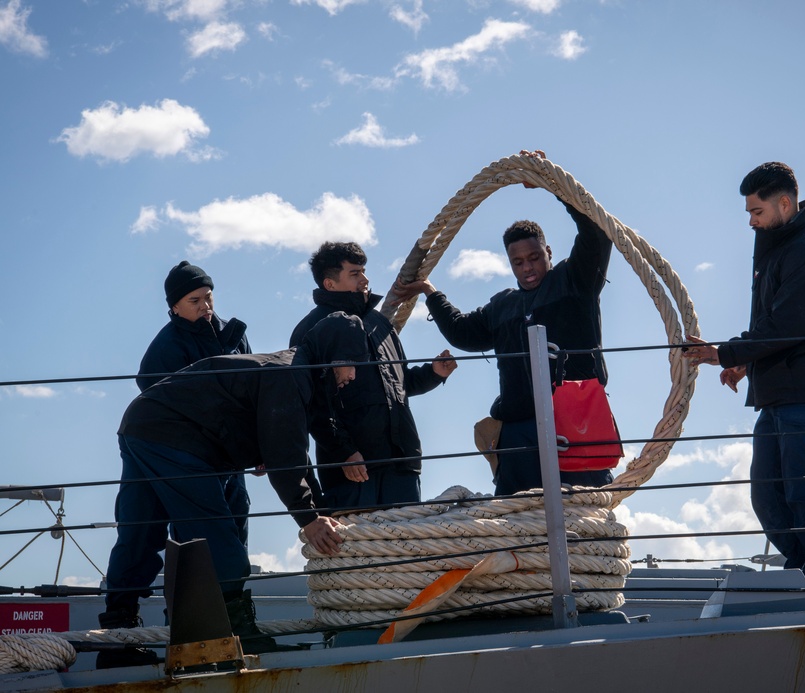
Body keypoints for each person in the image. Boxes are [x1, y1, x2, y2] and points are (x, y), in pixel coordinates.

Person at [99, 313, 366, 667]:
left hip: (142, 424)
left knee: (140, 533)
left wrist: (318, 511)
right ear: (336, 358)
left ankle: (118, 641)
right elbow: (285, 456)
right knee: (216, 539)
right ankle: (234, 637)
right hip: (177, 437)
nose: (353, 376)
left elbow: (293, 453)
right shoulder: (289, 375)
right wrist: (310, 518)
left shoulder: (298, 372)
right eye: (353, 365)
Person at [681, 161, 805, 609]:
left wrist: (726, 354)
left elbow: (787, 326)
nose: (751, 221)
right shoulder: (779, 249)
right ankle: (802, 579)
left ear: (784, 203)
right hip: (777, 394)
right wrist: (745, 365)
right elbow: (774, 326)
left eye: (756, 211)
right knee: (769, 499)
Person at [392, 150, 615, 496]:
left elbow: (597, 232)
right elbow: (463, 332)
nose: (527, 267)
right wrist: (429, 291)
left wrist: (550, 184)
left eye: (534, 258)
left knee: (586, 515)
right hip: (519, 429)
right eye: (518, 262)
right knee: (516, 523)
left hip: (577, 416)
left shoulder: (576, 281)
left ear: (549, 253)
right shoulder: (503, 306)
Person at [289, 242, 457, 510]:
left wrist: (433, 373)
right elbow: (311, 406)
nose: (365, 280)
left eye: (364, 271)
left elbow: (398, 385)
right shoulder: (311, 332)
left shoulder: (380, 324)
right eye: (355, 274)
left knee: (407, 549)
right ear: (330, 284)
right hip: (354, 471)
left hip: (401, 465)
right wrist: (343, 453)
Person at [137, 260, 254, 551]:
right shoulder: (164, 350)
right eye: (195, 300)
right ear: (174, 307)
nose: (205, 305)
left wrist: (260, 448)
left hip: (233, 456)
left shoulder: (235, 335)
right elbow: (157, 403)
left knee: (237, 519)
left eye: (209, 296)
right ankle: (189, 596)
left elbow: (254, 396)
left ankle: (233, 596)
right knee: (194, 533)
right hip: (192, 458)